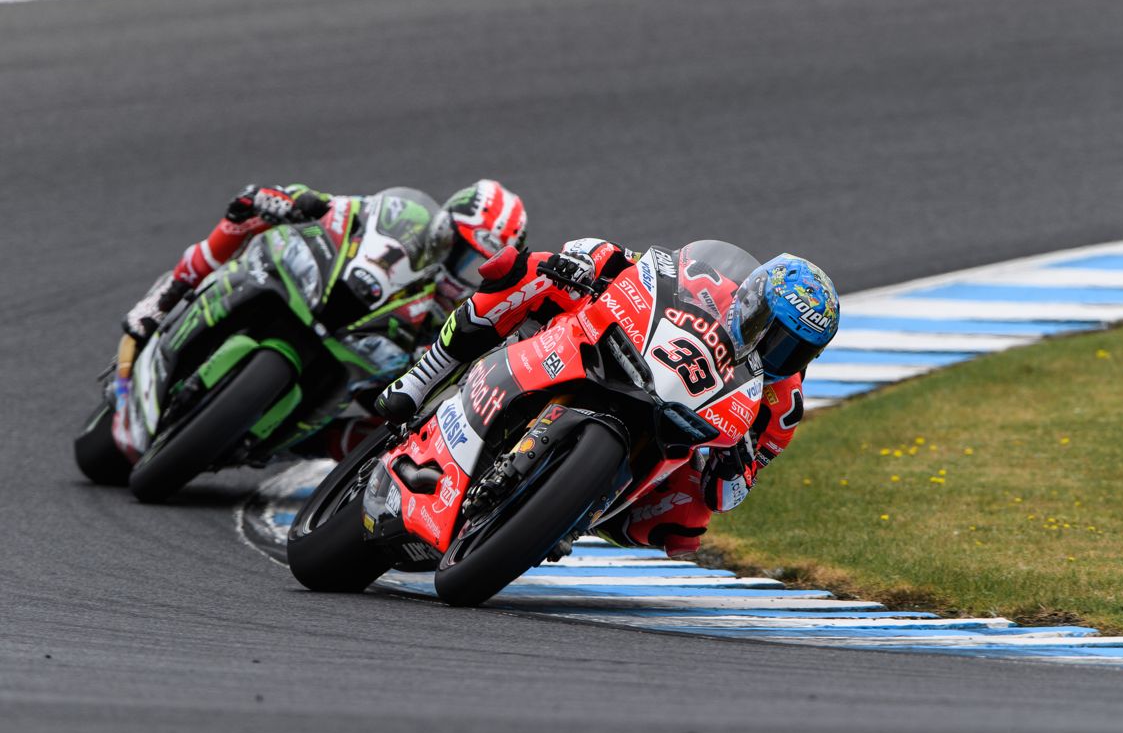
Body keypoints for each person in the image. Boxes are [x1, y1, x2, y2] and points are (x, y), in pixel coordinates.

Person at [375, 237, 839, 556]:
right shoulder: (709, 280)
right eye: (773, 331)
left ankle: (568, 512)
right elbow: (626, 260)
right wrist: (583, 261)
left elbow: (729, 495)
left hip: (670, 428)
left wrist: (737, 461)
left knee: (684, 524)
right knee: (525, 271)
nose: (776, 350)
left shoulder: (782, 405)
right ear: (753, 297)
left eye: (794, 348)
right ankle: (419, 381)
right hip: (618, 348)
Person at [120, 179, 527, 459]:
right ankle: (166, 296)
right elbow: (347, 210)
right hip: (325, 294)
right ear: (442, 228)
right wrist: (293, 202)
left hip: (371, 357)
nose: (460, 267)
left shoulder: (463, 309)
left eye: (477, 266)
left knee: (401, 426)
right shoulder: (407, 221)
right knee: (246, 210)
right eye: (458, 248)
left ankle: (295, 445)